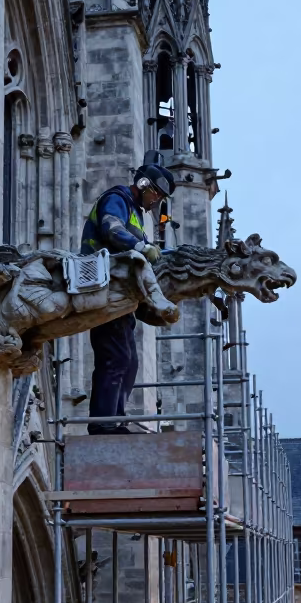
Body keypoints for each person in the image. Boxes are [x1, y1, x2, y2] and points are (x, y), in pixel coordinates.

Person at [81, 161, 176, 434]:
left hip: (123, 292)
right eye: (156, 192)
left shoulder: (136, 213)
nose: (156, 200)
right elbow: (112, 229)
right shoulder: (117, 198)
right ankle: (103, 426)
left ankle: (116, 420)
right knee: (115, 357)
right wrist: (142, 246)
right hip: (104, 285)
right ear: (144, 184)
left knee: (129, 361)